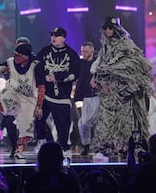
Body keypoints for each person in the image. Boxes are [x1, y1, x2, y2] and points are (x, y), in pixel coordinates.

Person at [90, 17, 153, 157]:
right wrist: (98, 79)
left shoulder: (126, 45)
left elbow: (136, 65)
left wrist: (112, 70)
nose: (108, 30)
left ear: (117, 28)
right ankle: (109, 150)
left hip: (124, 93)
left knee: (124, 123)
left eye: (110, 28)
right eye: (105, 28)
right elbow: (100, 67)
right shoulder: (105, 47)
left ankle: (126, 150)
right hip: (108, 93)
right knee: (107, 123)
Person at [34, 27, 81, 158]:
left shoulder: (72, 54)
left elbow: (76, 73)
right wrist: (44, 78)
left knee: (63, 125)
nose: (53, 37)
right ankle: (42, 141)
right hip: (46, 94)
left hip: (62, 96)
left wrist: (59, 77)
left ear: (64, 38)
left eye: (57, 35)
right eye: (52, 35)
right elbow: (36, 68)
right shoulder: (44, 52)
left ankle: (65, 148)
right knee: (39, 118)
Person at [0, 43, 42, 159]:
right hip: (13, 94)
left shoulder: (36, 66)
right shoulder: (10, 61)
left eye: (18, 55)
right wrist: (0, 69)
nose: (16, 58)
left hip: (29, 100)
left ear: (26, 56)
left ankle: (19, 151)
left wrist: (39, 106)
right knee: (9, 121)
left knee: (26, 130)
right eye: (15, 54)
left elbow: (41, 87)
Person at [74, 42, 99, 156]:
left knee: (95, 122)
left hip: (98, 96)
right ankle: (86, 145)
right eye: (82, 51)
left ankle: (97, 145)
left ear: (92, 51)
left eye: (86, 51)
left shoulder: (98, 62)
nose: (83, 53)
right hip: (85, 98)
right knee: (84, 123)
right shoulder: (80, 63)